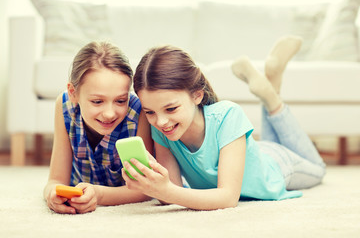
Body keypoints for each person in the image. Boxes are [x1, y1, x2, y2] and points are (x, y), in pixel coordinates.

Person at [121, 36, 326, 210]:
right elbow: (173, 192)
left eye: (171, 109)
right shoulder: (160, 128)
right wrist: (152, 183)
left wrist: (166, 190)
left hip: (278, 164)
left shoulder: (228, 115)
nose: (161, 121)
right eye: (150, 112)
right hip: (246, 153)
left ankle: (273, 100)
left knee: (318, 169)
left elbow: (227, 198)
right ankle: (270, 87)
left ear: (197, 95)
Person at [44, 41, 153, 214]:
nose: (109, 113)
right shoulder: (64, 105)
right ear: (73, 93)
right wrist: (52, 194)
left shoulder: (138, 111)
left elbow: (146, 189)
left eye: (120, 100)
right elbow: (56, 179)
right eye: (97, 101)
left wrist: (99, 195)